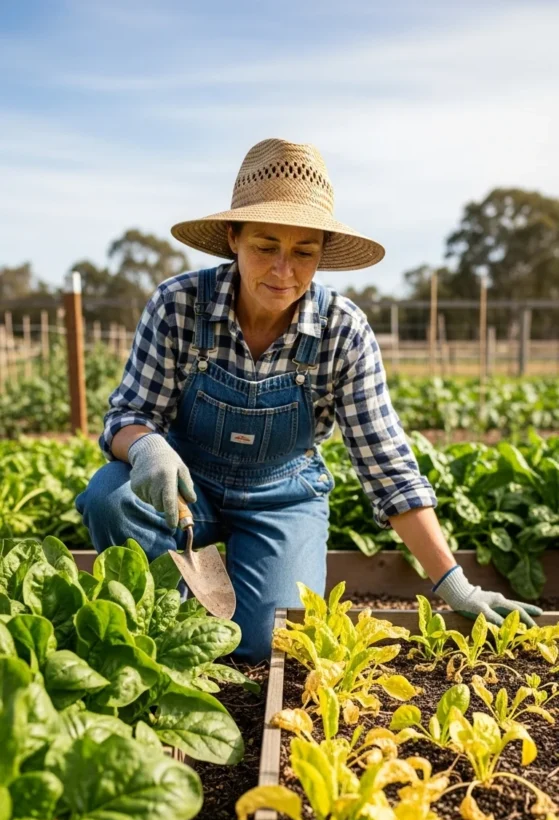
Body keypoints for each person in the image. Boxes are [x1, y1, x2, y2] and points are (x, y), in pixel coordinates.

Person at [75, 138, 541, 663]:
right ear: (234, 237)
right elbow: (129, 415)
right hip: (184, 488)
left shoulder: (343, 331)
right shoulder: (178, 304)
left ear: (322, 253)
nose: (283, 270)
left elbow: (387, 465)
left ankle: (239, 582)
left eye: (304, 253)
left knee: (270, 644)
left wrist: (454, 585)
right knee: (110, 497)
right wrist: (146, 449)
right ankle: (166, 620)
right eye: (265, 246)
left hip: (281, 496)